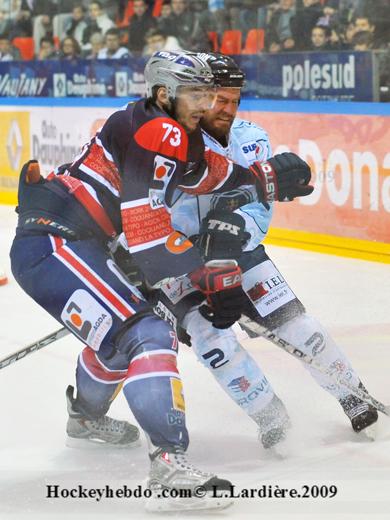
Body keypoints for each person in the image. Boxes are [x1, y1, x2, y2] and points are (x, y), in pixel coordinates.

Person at [10, 50, 313, 510]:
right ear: (163, 93)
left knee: (124, 335)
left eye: (210, 92)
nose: (208, 102)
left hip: (73, 243)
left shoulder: (170, 131)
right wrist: (202, 274)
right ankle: (169, 465)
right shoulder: (161, 130)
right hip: (56, 245)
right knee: (149, 333)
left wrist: (258, 179)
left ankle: (86, 419)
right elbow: (149, 233)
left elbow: (206, 175)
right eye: (196, 93)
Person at [149, 53, 378, 447]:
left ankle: (352, 394)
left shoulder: (252, 138)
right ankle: (270, 415)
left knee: (297, 324)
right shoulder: (167, 142)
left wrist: (232, 231)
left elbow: (258, 208)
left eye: (235, 100)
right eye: (220, 99)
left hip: (241, 253)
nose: (228, 109)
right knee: (212, 342)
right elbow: (145, 207)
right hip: (180, 266)